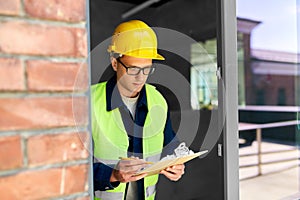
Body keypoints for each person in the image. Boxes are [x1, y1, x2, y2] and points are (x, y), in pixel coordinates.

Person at [91, 20, 185, 200]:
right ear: (115, 63)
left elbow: (171, 145)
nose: (140, 78)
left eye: (147, 69)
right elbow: (71, 167)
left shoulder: (158, 100)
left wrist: (176, 163)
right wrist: (113, 174)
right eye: (133, 69)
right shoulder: (89, 101)